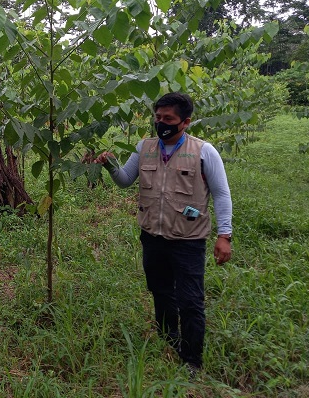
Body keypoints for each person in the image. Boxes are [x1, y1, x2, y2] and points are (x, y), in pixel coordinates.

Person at [95, 92, 232, 374]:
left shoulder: (203, 151)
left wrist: (224, 235)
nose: (161, 123)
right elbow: (125, 180)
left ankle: (192, 360)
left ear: (185, 122)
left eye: (168, 119)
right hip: (152, 237)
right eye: (158, 117)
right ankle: (168, 341)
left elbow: (221, 194)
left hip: (188, 239)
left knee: (190, 300)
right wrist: (110, 164)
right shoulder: (144, 147)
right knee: (160, 291)